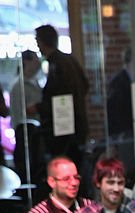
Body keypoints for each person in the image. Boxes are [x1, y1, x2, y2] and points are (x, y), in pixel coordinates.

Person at [35, 24, 89, 169]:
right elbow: (85, 85)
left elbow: (57, 97)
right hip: (74, 129)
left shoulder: (57, 65)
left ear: (42, 42)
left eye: (37, 42)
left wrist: (38, 108)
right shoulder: (68, 60)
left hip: (63, 133)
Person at [9, 50, 44, 186]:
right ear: (26, 62)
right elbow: (24, 112)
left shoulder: (35, 83)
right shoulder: (19, 86)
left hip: (35, 138)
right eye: (35, 60)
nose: (38, 64)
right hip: (27, 137)